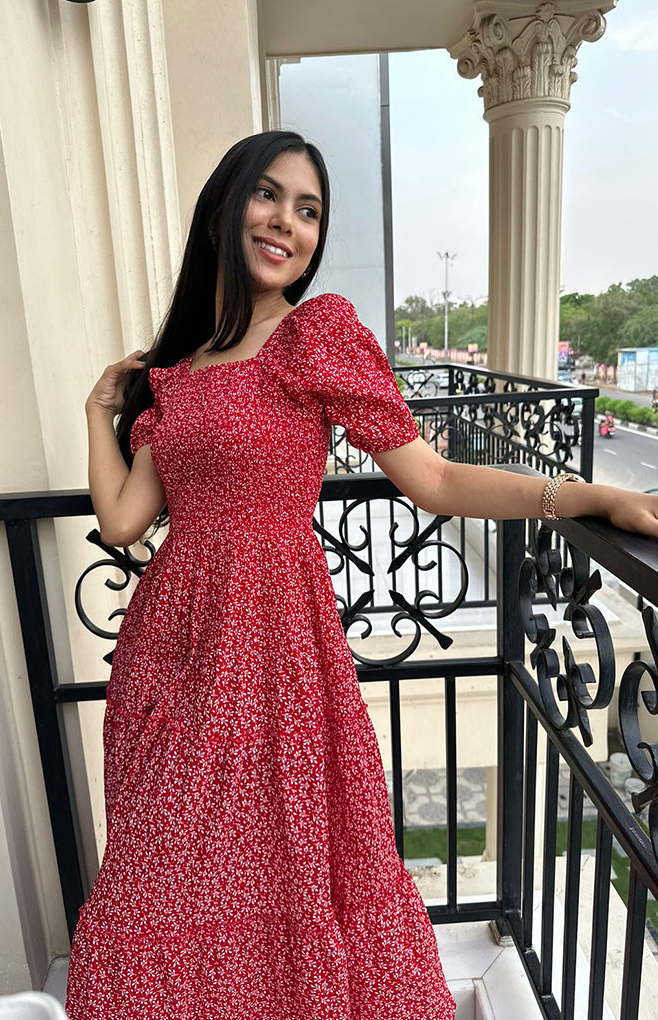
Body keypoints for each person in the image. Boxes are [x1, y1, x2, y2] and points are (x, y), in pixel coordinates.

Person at [68, 129, 658, 1020]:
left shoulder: (314, 336)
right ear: (225, 207)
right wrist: (98, 411)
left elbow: (435, 480)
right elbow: (123, 518)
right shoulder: (177, 378)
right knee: (154, 887)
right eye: (269, 197)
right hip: (172, 655)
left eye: (309, 211)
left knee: (282, 871)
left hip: (275, 649)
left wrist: (588, 498)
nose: (287, 223)